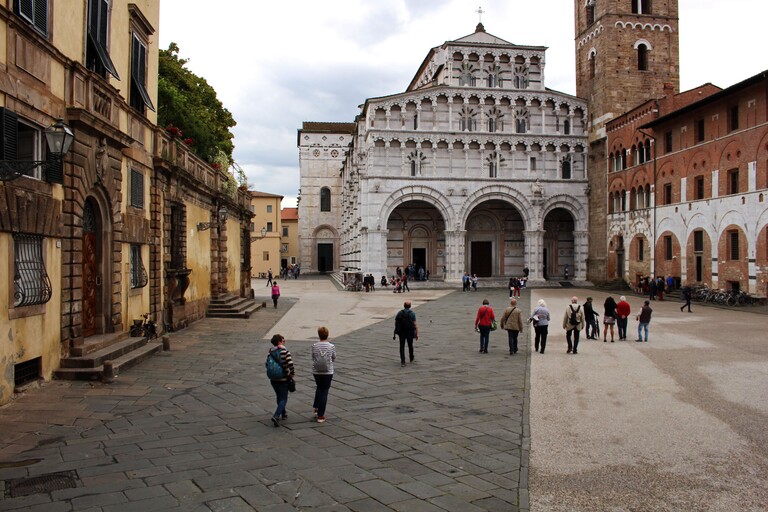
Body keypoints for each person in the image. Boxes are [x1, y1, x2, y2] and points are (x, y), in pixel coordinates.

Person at [267, 334, 294, 427]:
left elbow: (267, 364)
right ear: (279, 342)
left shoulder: (270, 352)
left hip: (273, 379)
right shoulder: (285, 351)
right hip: (283, 378)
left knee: (279, 396)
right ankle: (276, 415)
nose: (284, 341)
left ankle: (283, 413)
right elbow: (290, 364)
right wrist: (292, 373)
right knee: (283, 398)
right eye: (283, 340)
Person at [312, 326, 336, 423]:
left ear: (319, 335)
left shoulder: (314, 346)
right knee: (324, 391)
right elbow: (334, 357)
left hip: (316, 371)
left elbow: (313, 357)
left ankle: (316, 407)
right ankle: (320, 415)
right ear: (327, 335)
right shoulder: (331, 346)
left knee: (319, 387)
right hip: (328, 371)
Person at [394, 301, 419, 366]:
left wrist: (396, 329)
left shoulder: (400, 312)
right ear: (410, 306)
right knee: (410, 345)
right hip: (409, 331)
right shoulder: (412, 313)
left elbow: (396, 322)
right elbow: (415, 324)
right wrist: (416, 333)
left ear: (404, 306)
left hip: (401, 331)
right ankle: (411, 357)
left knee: (401, 346)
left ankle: (403, 361)